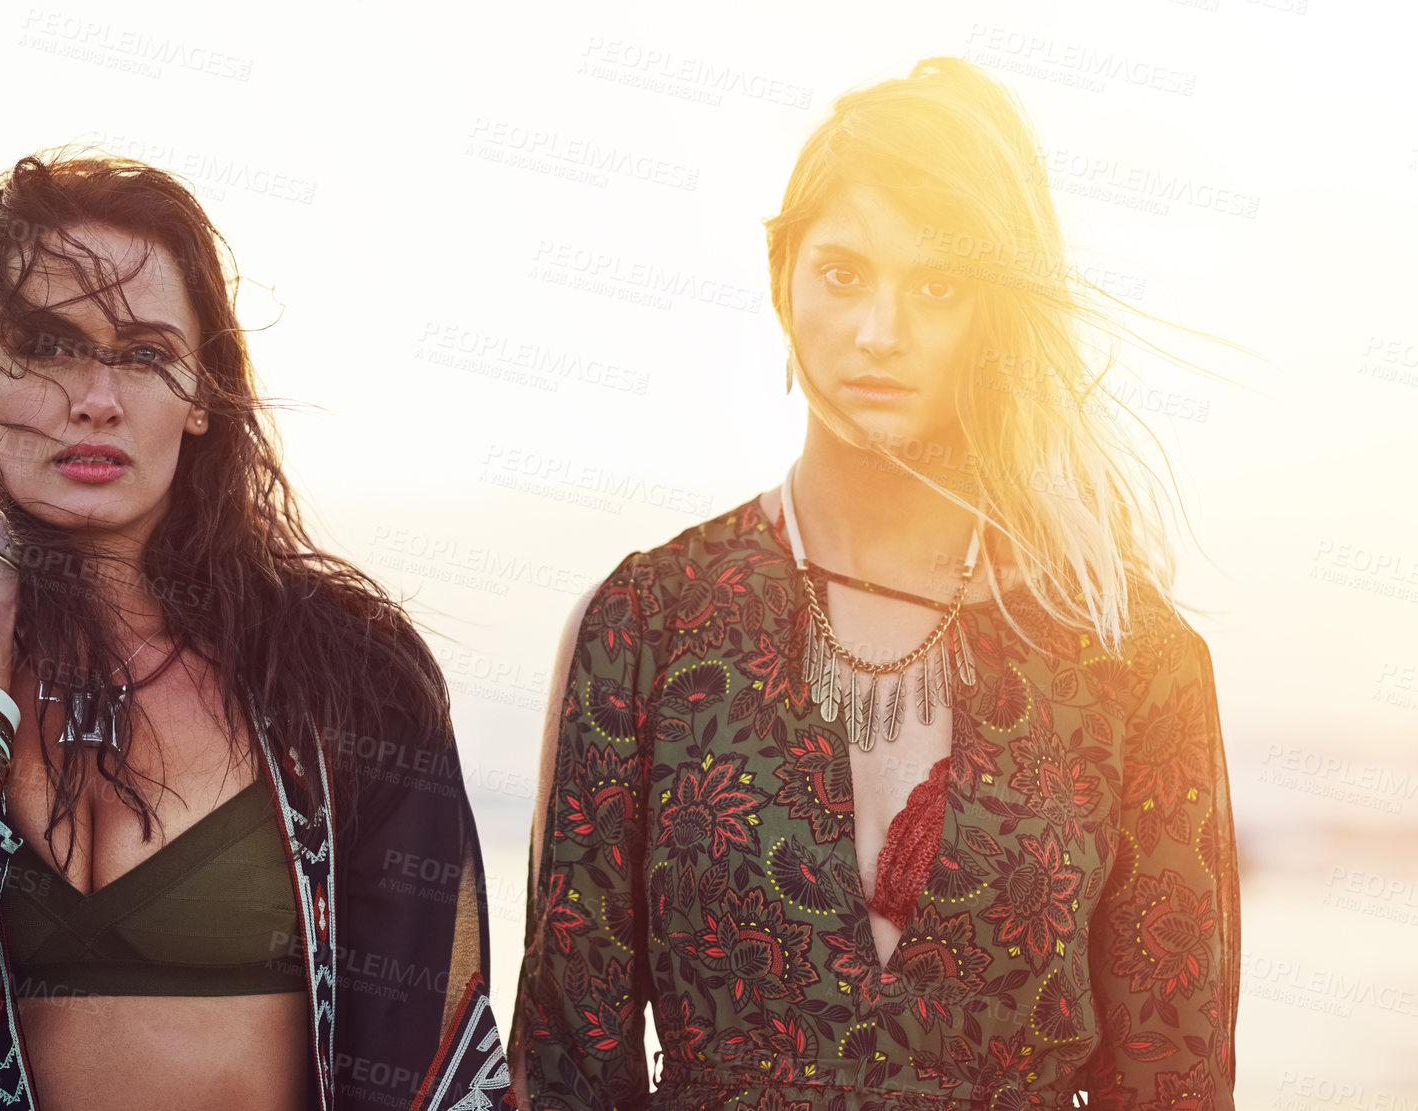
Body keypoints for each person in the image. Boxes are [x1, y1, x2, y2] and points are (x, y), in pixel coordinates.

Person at [509, 58, 1241, 1109]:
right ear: (782, 281)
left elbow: (1175, 1079)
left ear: (991, 315)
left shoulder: (1130, 659)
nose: (877, 333)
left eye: (935, 286)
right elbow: (566, 1064)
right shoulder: (646, 625)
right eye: (843, 273)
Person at [0, 150, 513, 1111]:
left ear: (202, 393)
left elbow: (431, 1060)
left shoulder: (350, 677)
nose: (94, 396)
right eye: (44, 345)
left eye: (143, 353)